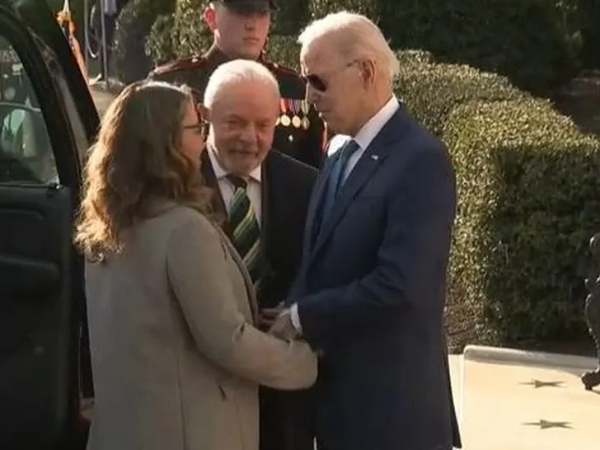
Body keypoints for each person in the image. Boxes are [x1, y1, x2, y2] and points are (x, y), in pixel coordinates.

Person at [74, 80, 317, 450]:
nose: (202, 140)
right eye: (195, 128)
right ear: (167, 142)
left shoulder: (107, 224)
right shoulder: (184, 230)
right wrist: (306, 362)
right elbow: (228, 340)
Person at [268, 12, 462, 450]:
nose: (308, 96)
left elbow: (401, 286)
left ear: (367, 72)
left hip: (393, 417)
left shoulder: (420, 160)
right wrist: (290, 307)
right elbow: (323, 258)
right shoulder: (338, 150)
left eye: (318, 81)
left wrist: (302, 317)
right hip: (337, 410)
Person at [201, 59, 318, 450]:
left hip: (282, 402)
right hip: (204, 393)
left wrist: (299, 308)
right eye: (234, 123)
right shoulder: (177, 183)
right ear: (207, 116)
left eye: (264, 125)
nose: (249, 138)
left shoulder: (306, 185)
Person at [147, 0, 326, 168]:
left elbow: (313, 169)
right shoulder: (170, 85)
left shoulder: (294, 87)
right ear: (211, 18)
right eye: (241, 12)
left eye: (261, 13)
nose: (252, 25)